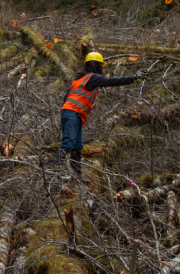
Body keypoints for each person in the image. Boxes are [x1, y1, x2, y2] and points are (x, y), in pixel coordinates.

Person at [59, 52, 148, 180]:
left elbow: (66, 97)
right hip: (73, 113)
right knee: (68, 142)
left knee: (77, 146)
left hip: (71, 113)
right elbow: (112, 81)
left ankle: (77, 176)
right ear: (97, 65)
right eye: (101, 65)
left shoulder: (78, 79)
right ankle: (56, 169)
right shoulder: (93, 77)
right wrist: (134, 77)